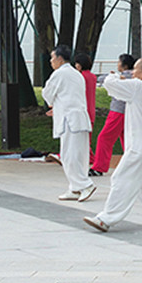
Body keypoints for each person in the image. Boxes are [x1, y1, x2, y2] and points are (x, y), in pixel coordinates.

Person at [84, 57, 142, 232]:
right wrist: (123, 80)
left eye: (135, 70)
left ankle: (107, 218)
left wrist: (115, 76)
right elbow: (122, 93)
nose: (132, 73)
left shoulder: (140, 87)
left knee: (120, 179)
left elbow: (110, 84)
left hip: (140, 146)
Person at [42, 44, 95, 202]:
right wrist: (57, 107)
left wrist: (53, 105)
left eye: (52, 58)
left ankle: (85, 185)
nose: (51, 61)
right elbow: (70, 96)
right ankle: (75, 188)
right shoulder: (76, 74)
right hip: (79, 118)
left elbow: (47, 93)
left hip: (69, 120)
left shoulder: (59, 74)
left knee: (69, 156)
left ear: (59, 58)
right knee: (79, 155)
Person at [92, 53, 135, 175]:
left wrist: (111, 75)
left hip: (117, 112)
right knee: (126, 140)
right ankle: (131, 167)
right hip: (128, 112)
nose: (117, 64)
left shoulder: (122, 77)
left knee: (104, 138)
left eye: (119, 62)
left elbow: (103, 79)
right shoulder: (134, 77)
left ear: (124, 65)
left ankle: (99, 167)